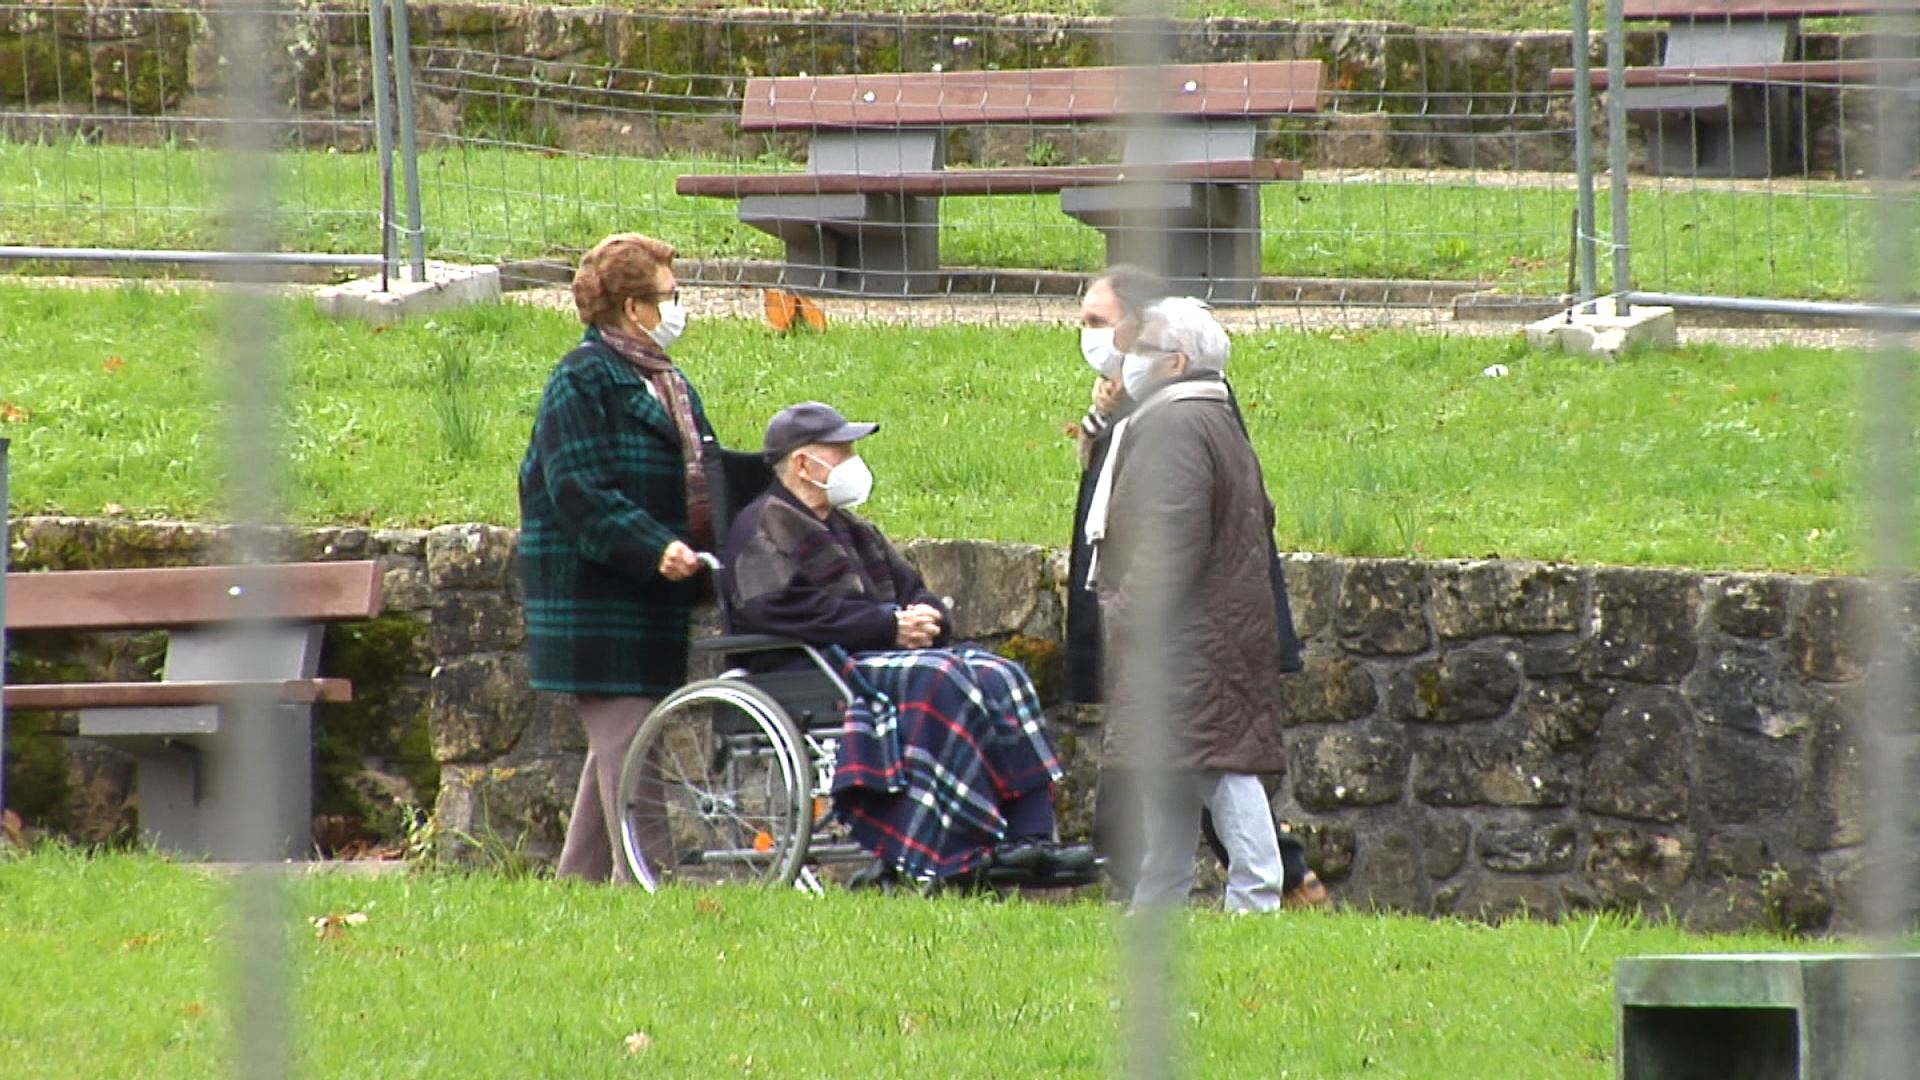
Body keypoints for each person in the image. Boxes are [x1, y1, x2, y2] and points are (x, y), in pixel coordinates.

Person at [725, 401, 1097, 888]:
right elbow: (775, 609)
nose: (854, 461)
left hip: (878, 653)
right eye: (841, 451)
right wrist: (886, 626)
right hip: (809, 667)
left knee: (998, 673)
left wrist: (927, 618)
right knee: (940, 678)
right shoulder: (761, 525)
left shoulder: (854, 529)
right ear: (801, 463)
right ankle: (964, 851)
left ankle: (1030, 839)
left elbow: (913, 590)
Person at [1071, 271, 1326, 908]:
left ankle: (1257, 898)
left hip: (1188, 638)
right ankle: (1158, 905)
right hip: (1209, 632)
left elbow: (1168, 542)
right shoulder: (1203, 414)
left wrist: (1124, 611)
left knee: (1222, 774)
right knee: (1181, 777)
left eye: (1142, 347)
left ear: (1175, 362)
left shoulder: (1176, 426)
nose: (1127, 357)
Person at [518, 232, 714, 883]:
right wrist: (655, 548)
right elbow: (576, 490)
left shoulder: (665, 381)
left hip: (649, 599)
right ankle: (650, 887)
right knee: (631, 747)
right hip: (596, 600)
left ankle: (578, 885)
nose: (680, 307)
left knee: (622, 741)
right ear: (634, 309)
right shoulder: (580, 381)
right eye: (670, 296)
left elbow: (703, 475)